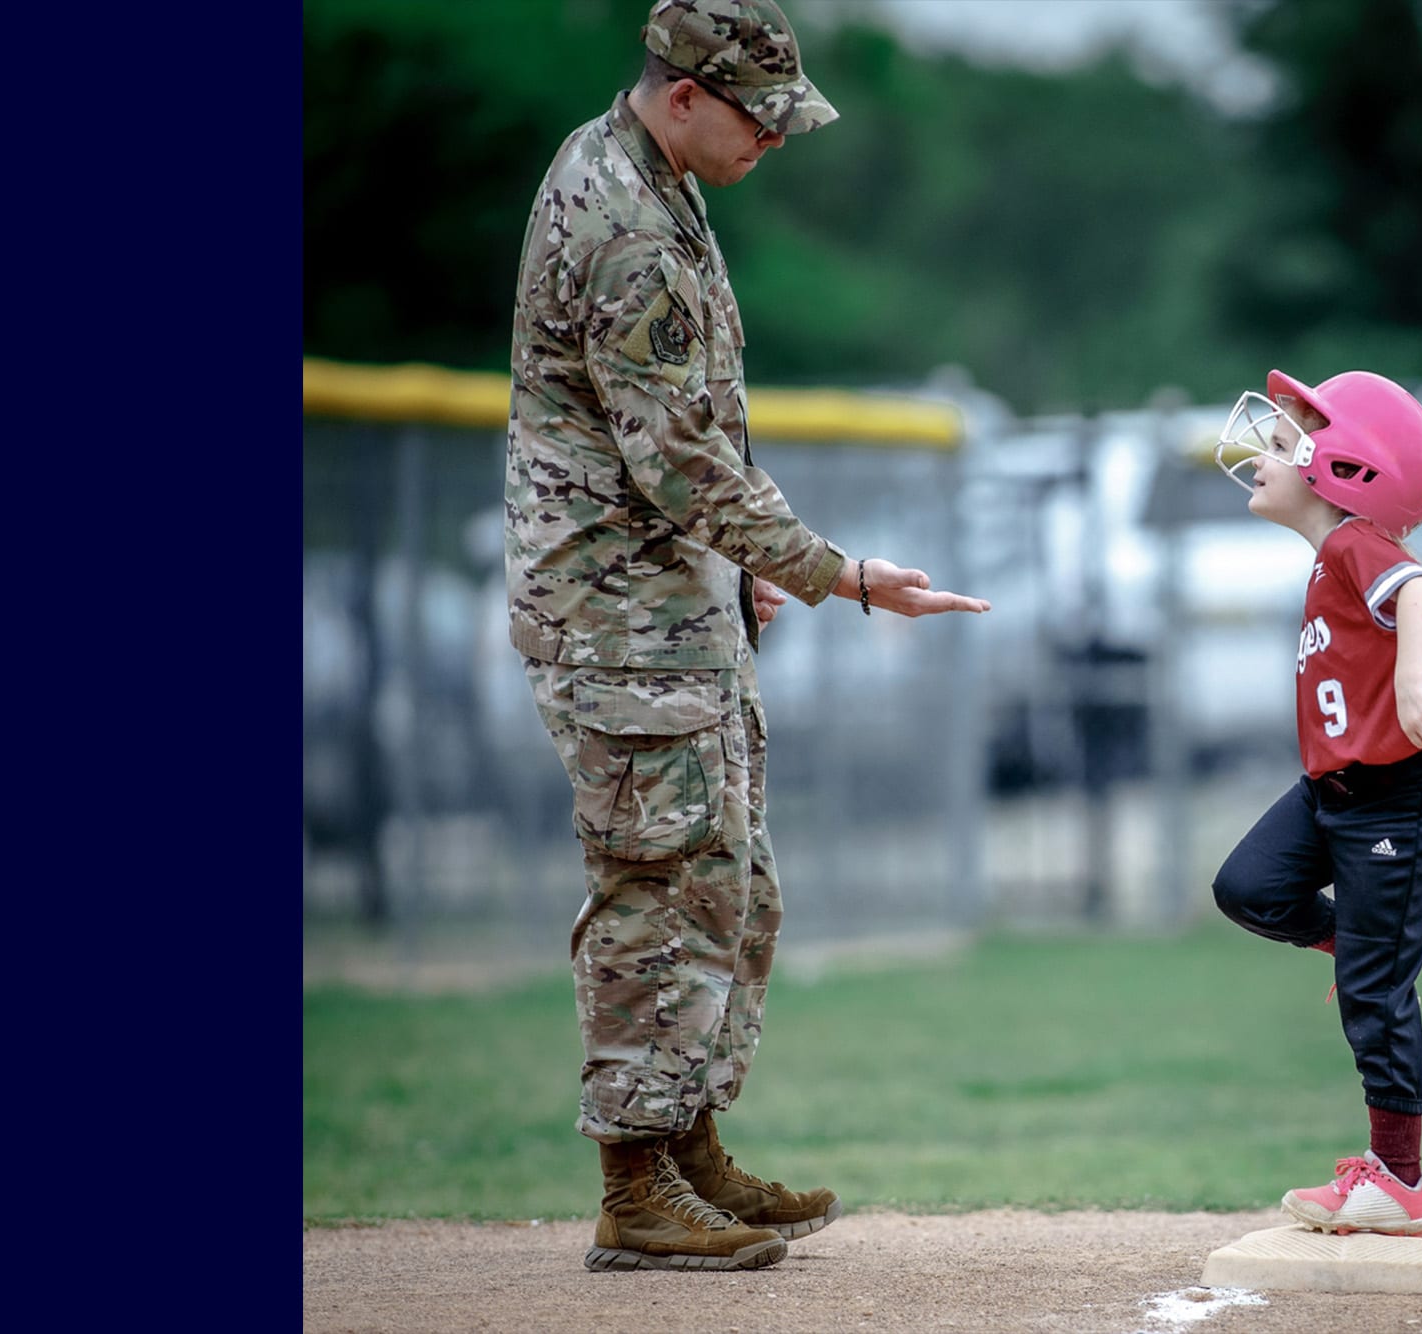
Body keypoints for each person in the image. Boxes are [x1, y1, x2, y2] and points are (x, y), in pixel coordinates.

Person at [504, 0, 990, 1274]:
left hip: (663, 600)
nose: (772, 138)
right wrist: (839, 573)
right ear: (680, 94)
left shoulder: (657, 181)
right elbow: (677, 455)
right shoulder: (623, 225)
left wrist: (726, 571)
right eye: (756, 114)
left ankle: (685, 1143)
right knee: (655, 886)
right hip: (614, 617)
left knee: (728, 882)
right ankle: (633, 1182)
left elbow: (674, 440)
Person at [1207, 368, 1422, 1238]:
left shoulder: (1355, 545)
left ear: (1345, 471)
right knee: (1248, 888)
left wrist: (1406, 675)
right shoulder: (1329, 560)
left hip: (1398, 804)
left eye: (1283, 445)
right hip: (1334, 799)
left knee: (1373, 998)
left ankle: (1399, 1181)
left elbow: (1421, 591)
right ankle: (1371, 935)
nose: (1264, 453)